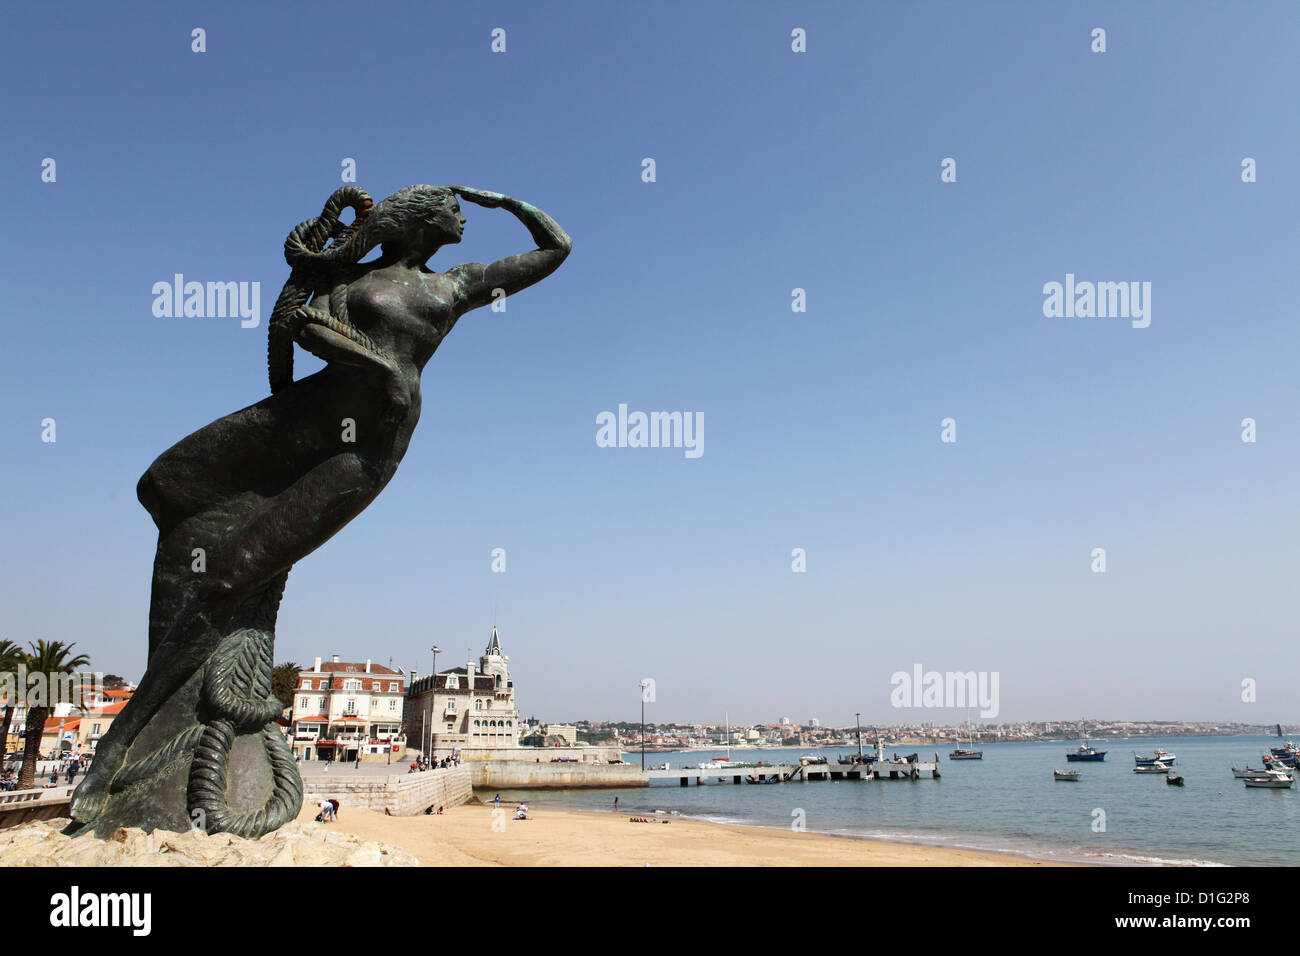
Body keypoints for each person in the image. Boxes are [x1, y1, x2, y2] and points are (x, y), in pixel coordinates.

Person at [67, 183, 570, 831]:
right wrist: (377, 365)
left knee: (229, 578)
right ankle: (152, 724)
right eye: (452, 208)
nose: (463, 217)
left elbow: (556, 247)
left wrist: (503, 199)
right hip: (312, 416)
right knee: (167, 479)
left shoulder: (457, 287)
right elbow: (299, 326)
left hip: (366, 447)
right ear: (418, 219)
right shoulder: (352, 279)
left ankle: (115, 754)